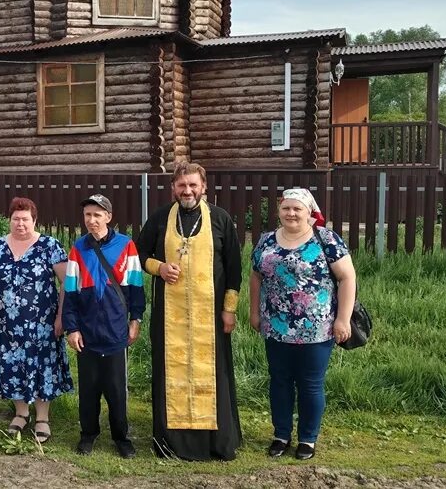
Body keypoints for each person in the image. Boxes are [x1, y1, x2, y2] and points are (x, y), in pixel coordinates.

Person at [136, 162, 242, 461]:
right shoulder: (159, 219)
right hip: (170, 316)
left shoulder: (220, 219)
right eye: (182, 185)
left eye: (193, 185)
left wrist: (229, 310)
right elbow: (139, 253)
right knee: (170, 372)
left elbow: (234, 268)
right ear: (173, 187)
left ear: (204, 187)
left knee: (215, 372)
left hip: (210, 315)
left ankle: (216, 443)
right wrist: (158, 267)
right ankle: (171, 443)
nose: (188, 191)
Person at [250, 188, 357, 461]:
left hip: (317, 328)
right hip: (276, 326)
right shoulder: (266, 241)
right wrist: (254, 313)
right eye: (286, 208)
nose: (291, 213)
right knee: (279, 382)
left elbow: (347, 278)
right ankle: (281, 435)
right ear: (279, 211)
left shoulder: (326, 239)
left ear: (309, 211)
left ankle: (308, 439)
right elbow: (255, 277)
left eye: (297, 208)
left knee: (310, 384)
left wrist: (342, 319)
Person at [62, 194, 144, 459]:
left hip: (116, 331)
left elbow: (136, 288)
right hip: (86, 333)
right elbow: (71, 292)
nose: (92, 220)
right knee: (88, 390)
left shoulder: (126, 246)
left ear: (109, 217)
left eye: (97, 215)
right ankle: (88, 434)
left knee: (117, 390)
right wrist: (71, 328)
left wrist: (136, 319)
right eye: (87, 215)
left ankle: (121, 437)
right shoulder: (78, 249)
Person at [0, 197, 72, 444]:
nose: (20, 224)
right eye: (16, 219)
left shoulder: (49, 246)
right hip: (7, 327)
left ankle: (42, 417)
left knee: (43, 367)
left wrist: (61, 316)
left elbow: (66, 283)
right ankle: (21, 413)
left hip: (42, 325)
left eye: (25, 219)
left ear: (34, 220)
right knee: (12, 368)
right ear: (9, 220)